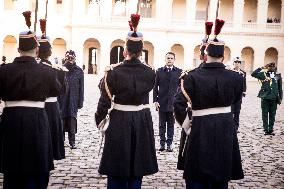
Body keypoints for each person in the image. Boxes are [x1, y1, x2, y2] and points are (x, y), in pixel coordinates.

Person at [174, 19, 244, 189]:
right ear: (223, 56)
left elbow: (178, 104)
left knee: (197, 176)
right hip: (225, 128)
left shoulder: (191, 76)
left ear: (205, 54)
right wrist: (232, 124)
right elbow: (236, 103)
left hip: (199, 127)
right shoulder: (236, 77)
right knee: (221, 175)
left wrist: (187, 126)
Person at [0, 11, 63, 188]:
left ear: (18, 49)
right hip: (37, 121)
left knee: (12, 171)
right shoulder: (48, 71)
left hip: (10, 121)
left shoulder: (3, 71)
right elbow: (57, 91)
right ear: (36, 49)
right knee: (37, 168)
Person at [95, 14, 158, 189]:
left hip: (119, 120)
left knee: (116, 167)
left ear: (125, 51)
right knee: (137, 169)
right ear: (141, 51)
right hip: (142, 120)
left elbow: (104, 103)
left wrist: (100, 122)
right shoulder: (150, 72)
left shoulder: (113, 72)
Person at [37, 19, 67, 160]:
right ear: (49, 51)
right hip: (50, 107)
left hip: (38, 108)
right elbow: (62, 90)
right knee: (50, 144)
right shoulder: (55, 70)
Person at [153, 52, 182, 152]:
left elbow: (181, 88)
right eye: (168, 58)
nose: (169, 60)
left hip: (173, 103)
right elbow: (155, 87)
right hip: (162, 102)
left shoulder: (179, 72)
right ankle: (162, 144)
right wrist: (155, 101)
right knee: (161, 124)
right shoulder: (160, 71)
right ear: (165, 59)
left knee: (171, 125)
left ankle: (169, 144)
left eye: (171, 58)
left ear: (174, 60)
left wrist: (179, 101)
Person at [58, 50, 84, 149]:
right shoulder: (61, 70)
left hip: (73, 99)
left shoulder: (79, 71)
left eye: (72, 58)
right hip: (62, 99)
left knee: (72, 121)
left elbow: (81, 87)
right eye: (68, 58)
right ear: (65, 58)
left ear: (75, 58)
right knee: (61, 120)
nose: (70, 60)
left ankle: (72, 142)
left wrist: (80, 101)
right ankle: (61, 141)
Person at [251, 62, 282, 135]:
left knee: (272, 115)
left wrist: (280, 98)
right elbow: (253, 74)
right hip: (265, 98)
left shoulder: (277, 76)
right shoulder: (263, 75)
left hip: (274, 98)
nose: (271, 68)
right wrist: (262, 67)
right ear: (267, 67)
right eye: (270, 66)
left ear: (275, 68)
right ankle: (265, 129)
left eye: (273, 67)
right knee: (264, 114)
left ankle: (270, 130)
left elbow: (280, 88)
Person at [231, 57, 246, 131]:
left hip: (239, 95)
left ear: (240, 64)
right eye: (236, 62)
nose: (237, 63)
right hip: (231, 95)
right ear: (233, 63)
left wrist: (244, 91)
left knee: (237, 112)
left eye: (238, 62)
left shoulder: (243, 73)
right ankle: (230, 127)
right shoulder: (230, 72)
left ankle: (236, 128)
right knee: (230, 111)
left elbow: (244, 83)